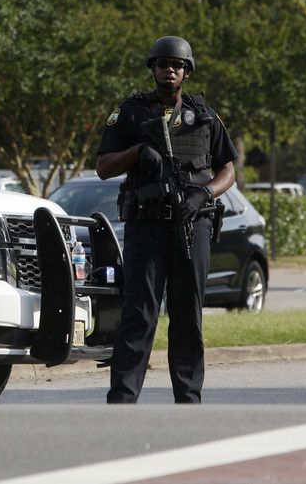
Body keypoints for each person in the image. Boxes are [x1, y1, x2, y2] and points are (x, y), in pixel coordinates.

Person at [95, 36, 236, 403]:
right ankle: (122, 400)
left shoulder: (204, 115)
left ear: (187, 72)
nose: (169, 70)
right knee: (139, 314)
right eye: (163, 64)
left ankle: (188, 400)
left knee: (188, 316)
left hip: (193, 225)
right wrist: (138, 151)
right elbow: (104, 167)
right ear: (153, 69)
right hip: (147, 227)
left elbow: (228, 170)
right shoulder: (131, 112)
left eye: (177, 65)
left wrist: (205, 193)